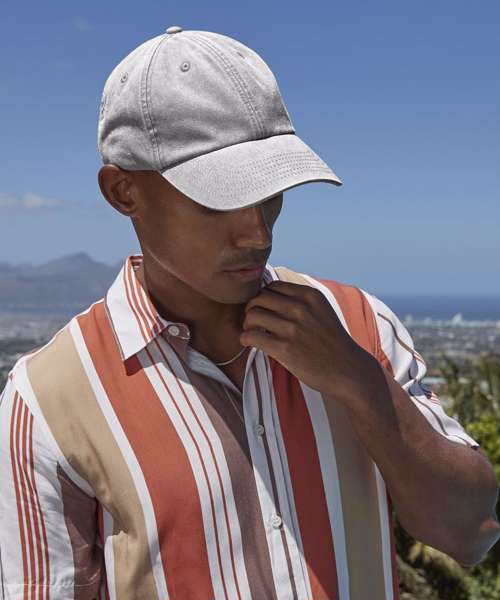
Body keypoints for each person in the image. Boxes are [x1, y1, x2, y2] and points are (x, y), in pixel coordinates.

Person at [0, 26, 498, 600]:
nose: (258, 232)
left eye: (270, 193)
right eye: (217, 199)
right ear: (123, 192)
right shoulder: (48, 400)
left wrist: (361, 383)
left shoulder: (359, 325)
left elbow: (471, 533)